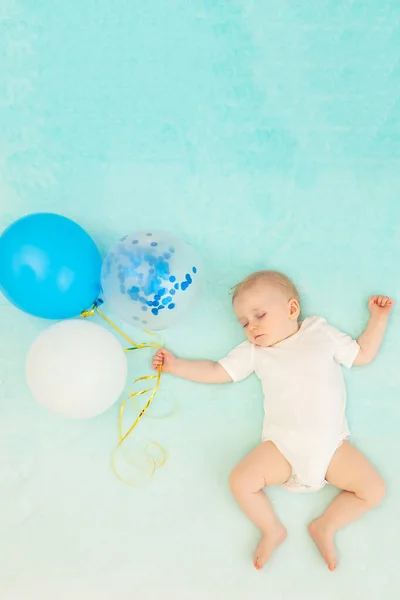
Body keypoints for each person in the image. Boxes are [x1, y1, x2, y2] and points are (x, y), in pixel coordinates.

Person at [152, 270, 394, 571]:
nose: (252, 327)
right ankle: (271, 529)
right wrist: (176, 366)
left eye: (259, 315)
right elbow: (217, 371)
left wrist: (378, 318)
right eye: (244, 323)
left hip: (331, 448)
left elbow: (361, 354)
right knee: (240, 481)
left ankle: (326, 525)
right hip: (283, 448)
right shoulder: (255, 352)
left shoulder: (319, 332)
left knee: (374, 491)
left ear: (292, 309)